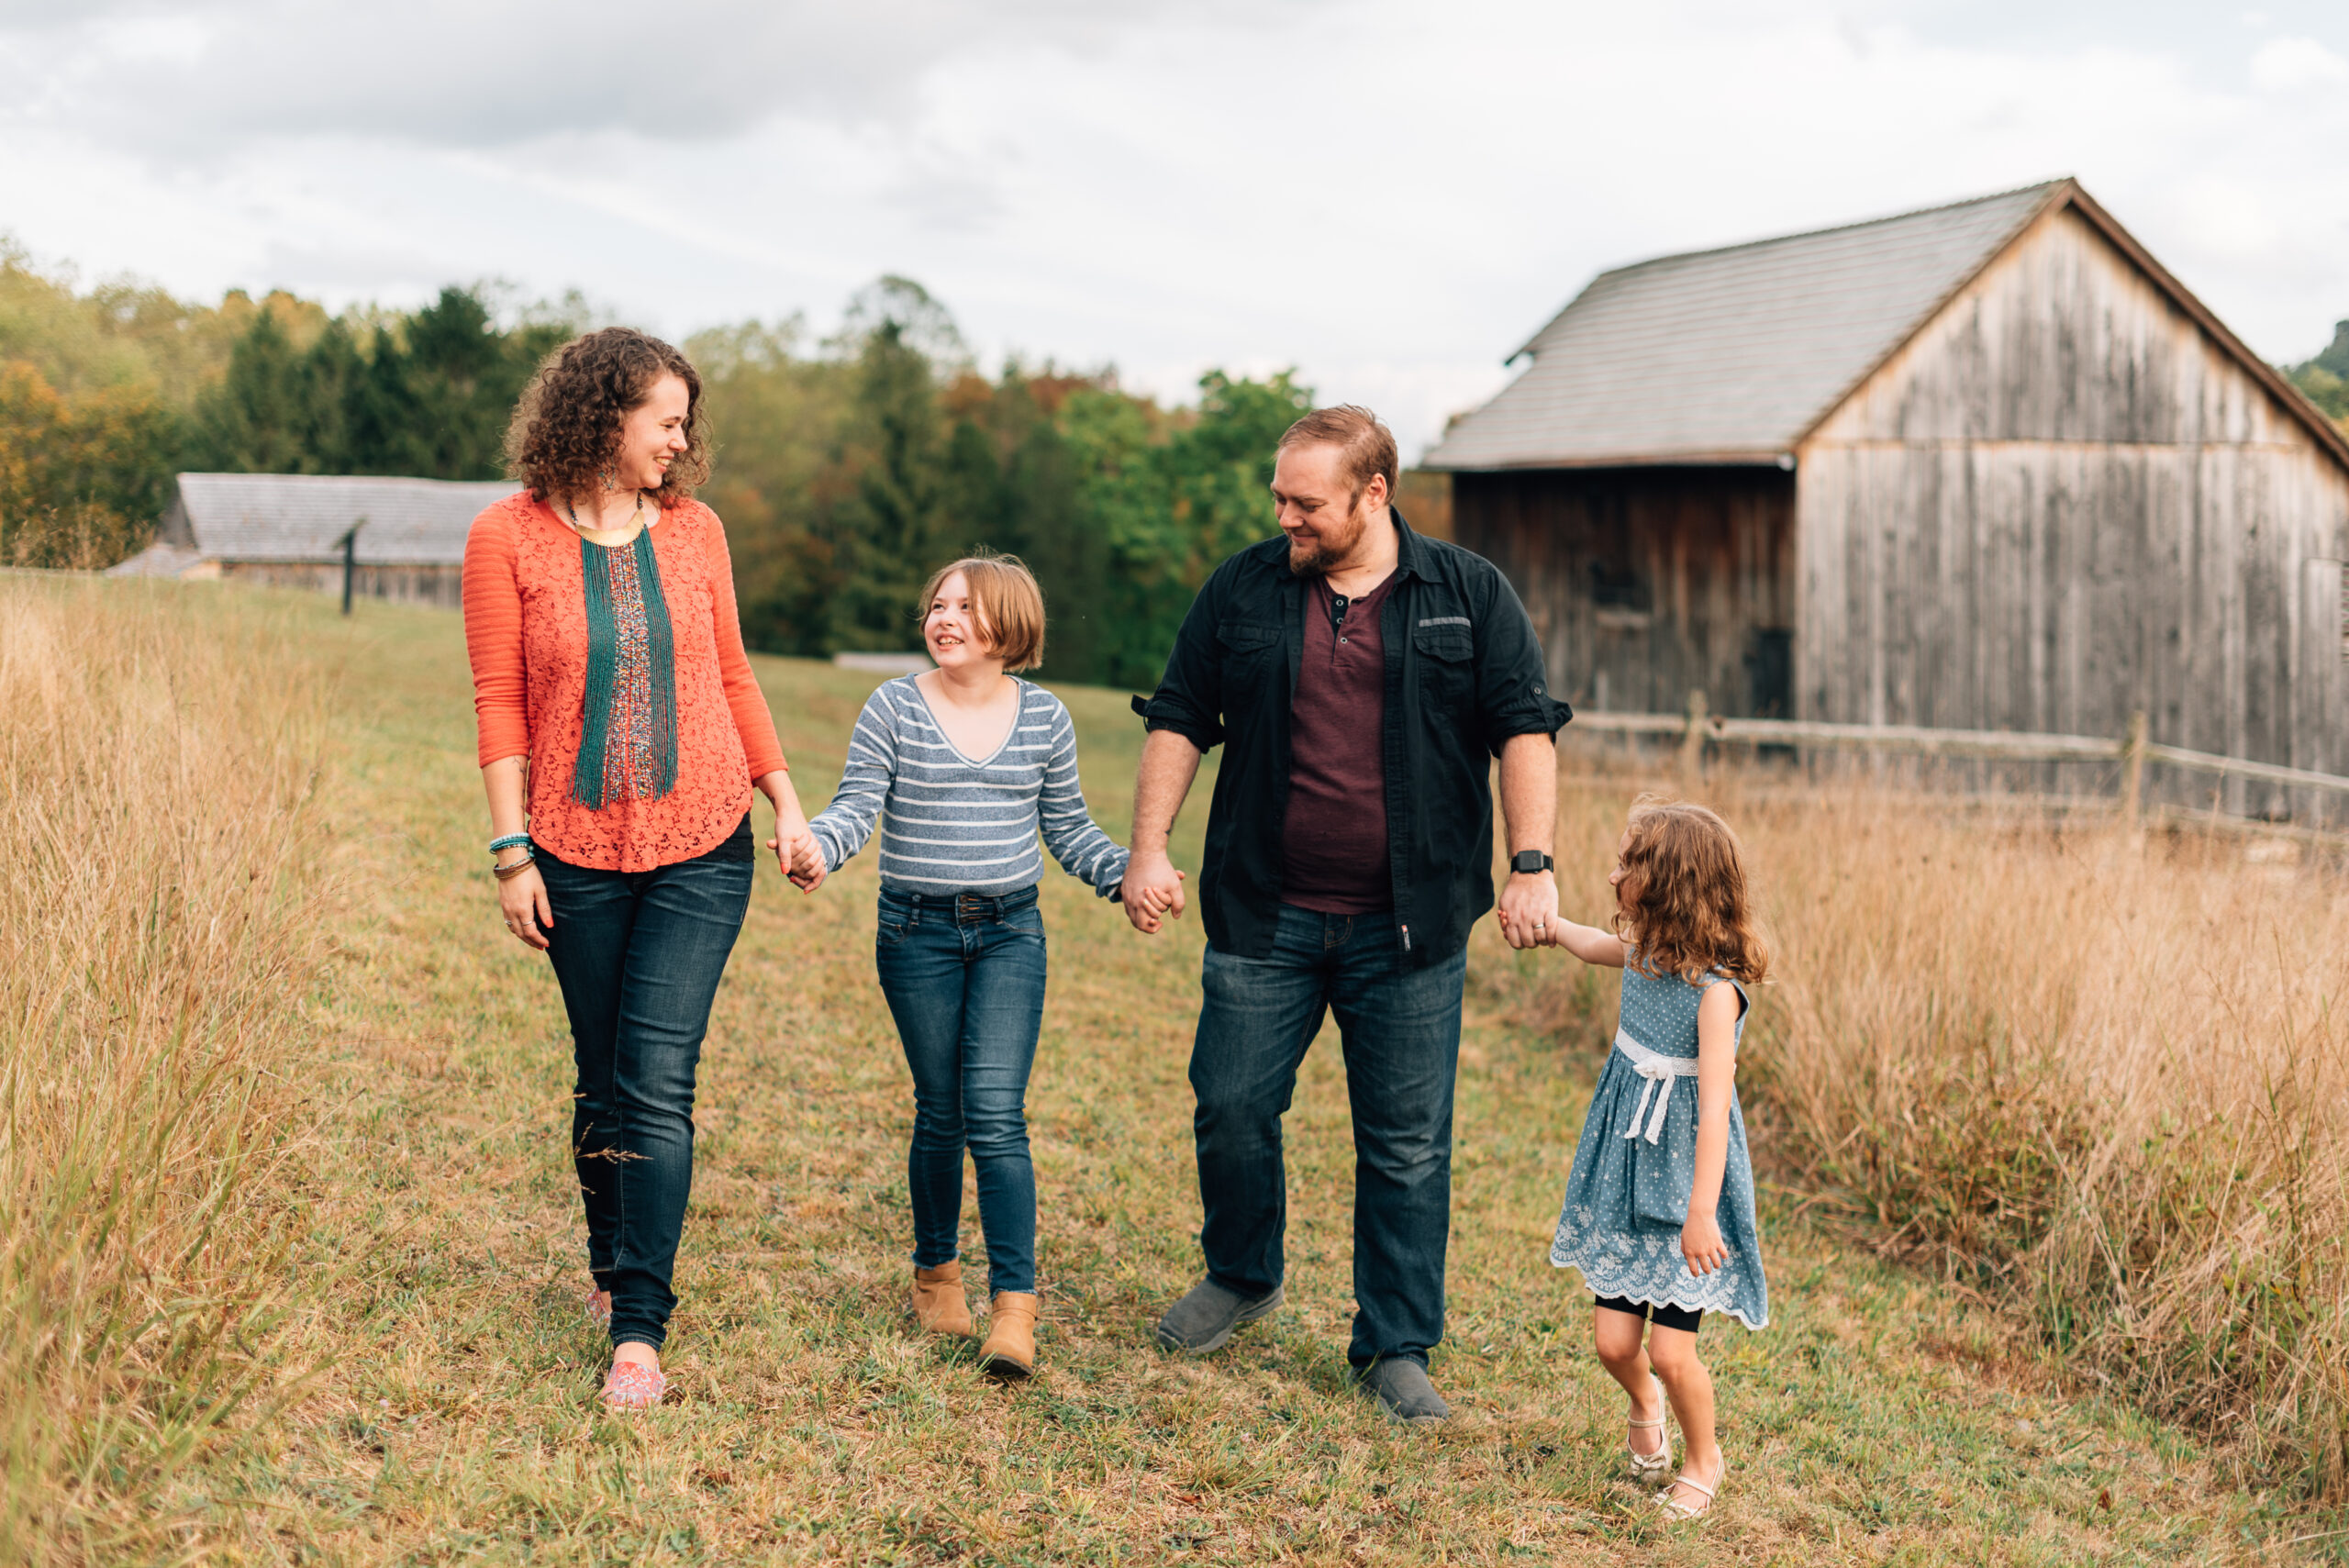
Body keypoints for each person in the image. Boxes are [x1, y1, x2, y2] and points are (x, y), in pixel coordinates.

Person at [1121, 405, 1571, 1424]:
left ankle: (1394, 1345)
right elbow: (1183, 716)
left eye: (1305, 501)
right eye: (1278, 496)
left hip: (1408, 925)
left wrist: (1531, 865)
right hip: (1263, 910)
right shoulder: (1242, 587)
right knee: (1230, 1104)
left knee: (1406, 1144)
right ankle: (1242, 1273)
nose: (1284, 516)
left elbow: (1523, 728)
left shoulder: (1468, 592)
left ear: (1375, 493)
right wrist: (1148, 846)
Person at [462, 327, 820, 1410]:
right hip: (567, 846)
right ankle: (609, 1264)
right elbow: (500, 702)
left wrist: (786, 801)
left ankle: (638, 1329)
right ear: (603, 414)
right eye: (665, 418)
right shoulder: (505, 536)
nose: (681, 439)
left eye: (683, 421)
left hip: (702, 844)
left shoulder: (697, 532)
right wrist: (509, 849)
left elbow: (735, 675)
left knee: (655, 1080)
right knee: (600, 1074)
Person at [797, 555, 1131, 1378]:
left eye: (965, 607)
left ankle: (1013, 1307)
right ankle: (937, 1271)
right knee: (941, 1107)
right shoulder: (894, 708)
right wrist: (820, 846)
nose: (944, 618)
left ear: (1008, 627)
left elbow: (1070, 829)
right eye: (937, 604)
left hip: (1012, 932)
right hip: (917, 933)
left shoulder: (1047, 719)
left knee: (995, 1110)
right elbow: (856, 806)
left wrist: (1128, 873)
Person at [1534, 796, 1771, 1520]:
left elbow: (1712, 1115)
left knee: (1672, 1352)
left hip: (1684, 1188)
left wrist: (1702, 1212)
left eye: (1629, 863)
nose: (1613, 875)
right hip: (1627, 1167)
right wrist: (1546, 926)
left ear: (1672, 882)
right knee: (1614, 1343)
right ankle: (1646, 1410)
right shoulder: (1645, 954)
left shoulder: (1714, 995)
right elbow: (1588, 943)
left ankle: (1704, 1459)